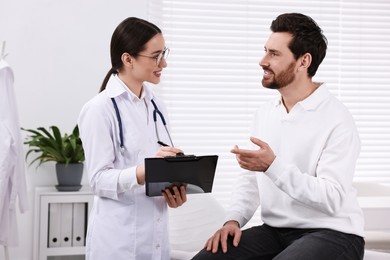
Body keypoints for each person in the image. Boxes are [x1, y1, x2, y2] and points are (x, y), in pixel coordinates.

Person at [192, 13, 365, 260]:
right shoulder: (266, 113)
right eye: (265, 51)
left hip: (333, 232)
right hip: (275, 232)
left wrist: (272, 166)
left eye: (274, 54)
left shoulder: (337, 118)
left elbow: (332, 197)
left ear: (304, 61)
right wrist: (233, 220)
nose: (262, 61)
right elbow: (251, 179)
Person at [78, 17, 187, 260]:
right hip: (118, 242)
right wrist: (145, 171)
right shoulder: (99, 109)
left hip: (157, 240)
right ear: (128, 59)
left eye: (164, 53)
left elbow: (155, 168)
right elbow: (97, 180)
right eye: (156, 56)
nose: (164, 63)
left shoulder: (157, 105)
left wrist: (172, 189)